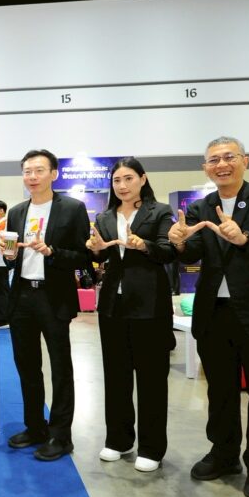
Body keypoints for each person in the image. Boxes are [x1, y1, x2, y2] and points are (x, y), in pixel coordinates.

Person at [169, 136, 249, 497]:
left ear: (245, 161)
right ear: (205, 168)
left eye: (229, 157)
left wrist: (244, 238)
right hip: (215, 313)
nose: (221, 164)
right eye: (214, 160)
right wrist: (180, 240)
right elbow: (192, 253)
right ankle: (224, 455)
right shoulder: (201, 207)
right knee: (220, 391)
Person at [0, 149, 92, 462]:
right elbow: (11, 259)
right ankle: (35, 427)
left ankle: (61, 436)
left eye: (39, 170)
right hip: (22, 296)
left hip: (53, 297)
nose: (32, 177)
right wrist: (9, 255)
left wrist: (52, 252)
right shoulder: (16, 212)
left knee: (61, 368)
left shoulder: (72, 209)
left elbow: (83, 257)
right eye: (27, 171)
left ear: (54, 174)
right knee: (27, 366)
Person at [88, 158, 177, 473]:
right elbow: (100, 255)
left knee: (152, 378)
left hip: (150, 305)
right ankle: (118, 439)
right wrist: (95, 249)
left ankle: (152, 447)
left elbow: (169, 251)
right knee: (116, 375)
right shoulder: (105, 216)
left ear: (142, 179)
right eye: (117, 180)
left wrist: (144, 245)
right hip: (113, 305)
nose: (122, 186)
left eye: (128, 178)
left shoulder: (160, 211)